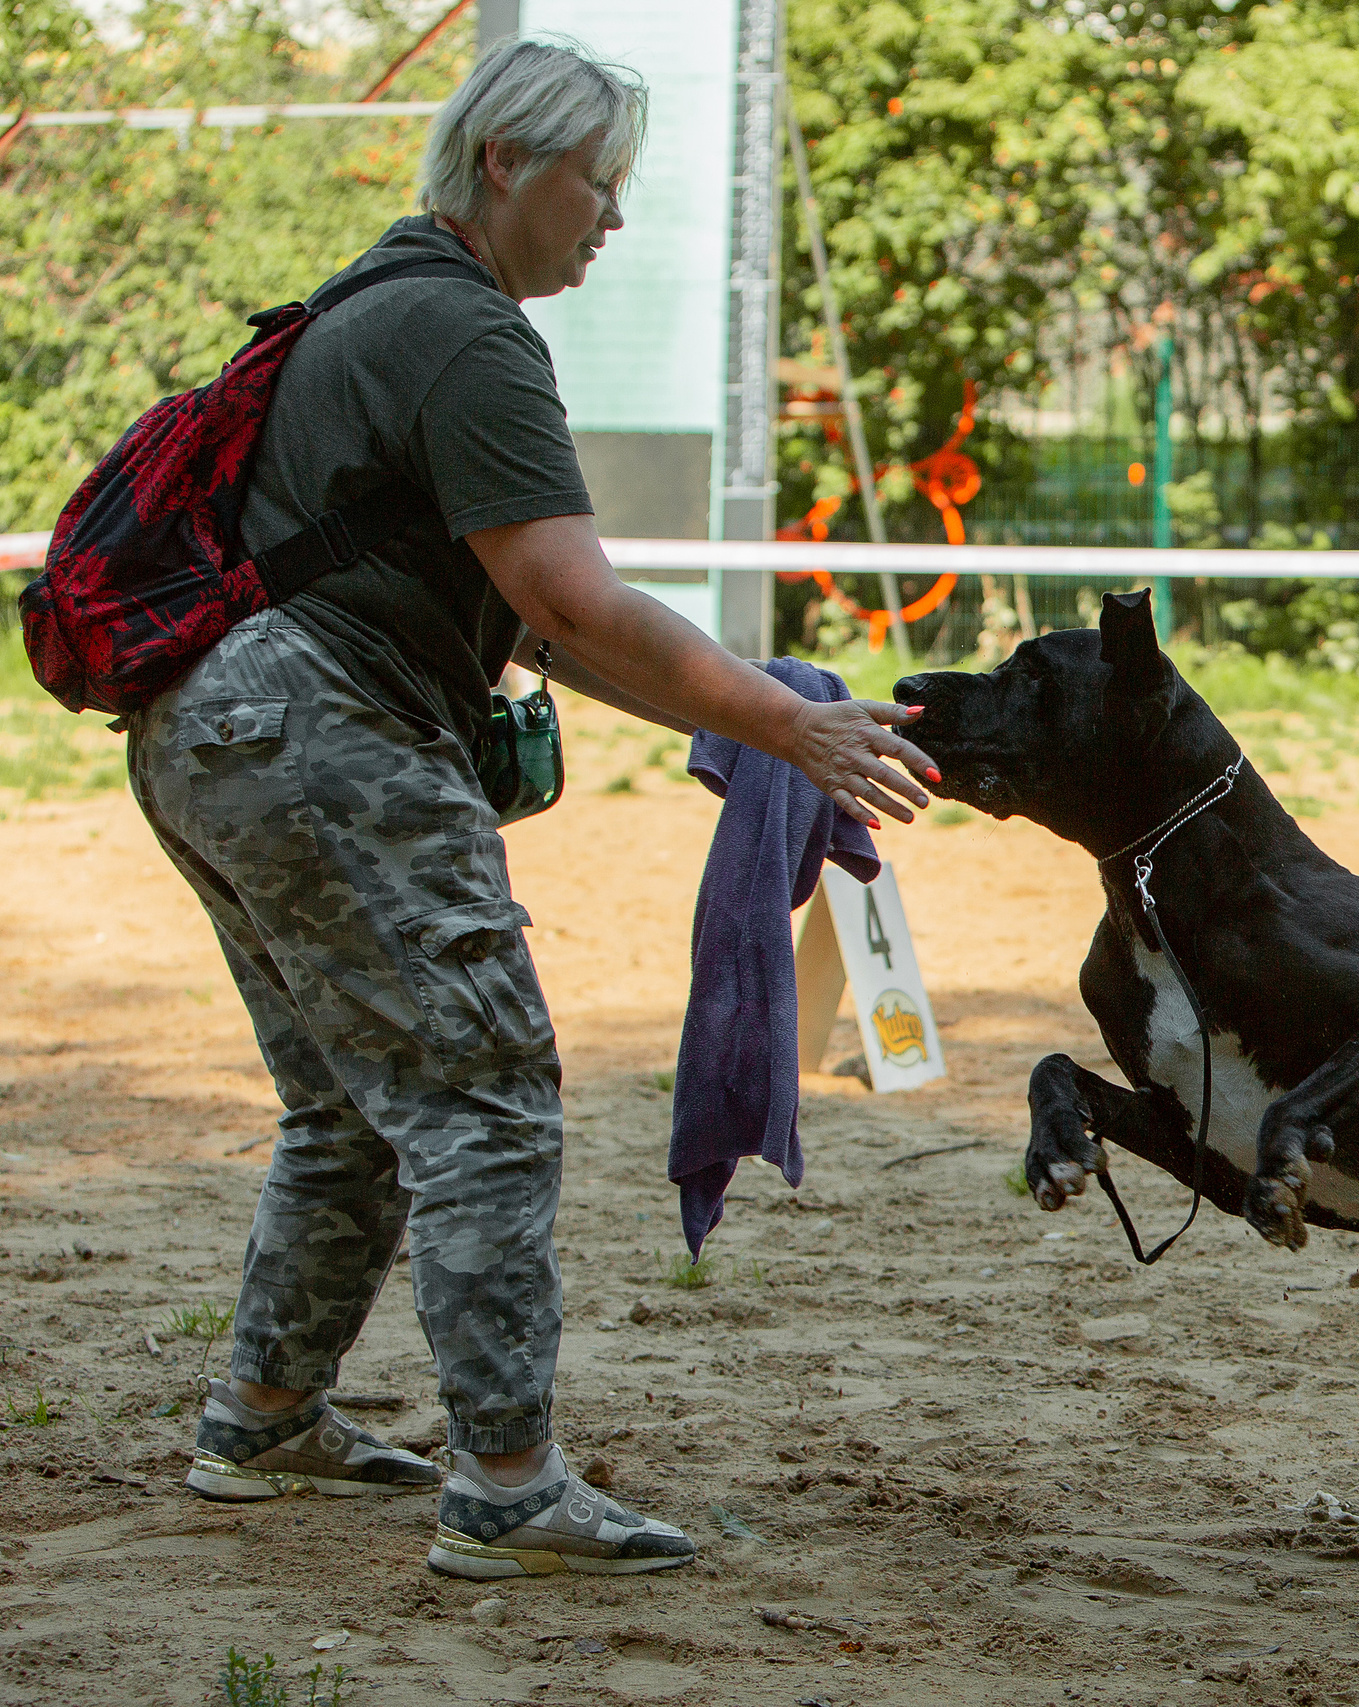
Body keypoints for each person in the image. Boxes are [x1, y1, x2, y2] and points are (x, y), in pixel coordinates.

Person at [127, 35, 934, 1579]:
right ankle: (507, 1489)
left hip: (215, 732)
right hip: (324, 733)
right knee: (485, 1095)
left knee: (357, 1104)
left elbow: (540, 628)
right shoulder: (468, 335)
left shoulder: (369, 305)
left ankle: (265, 1414)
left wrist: (756, 717)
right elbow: (574, 591)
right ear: (506, 164)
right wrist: (796, 730)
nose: (612, 219)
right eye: (598, 182)